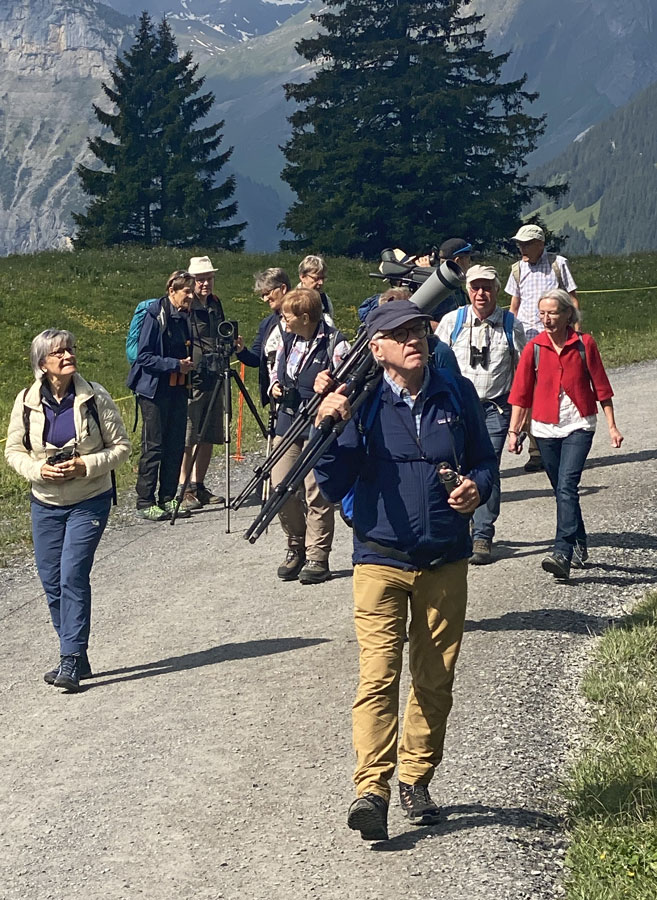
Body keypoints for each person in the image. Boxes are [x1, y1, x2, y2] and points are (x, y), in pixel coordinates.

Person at [313, 299, 495, 841]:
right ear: (377, 349)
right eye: (399, 333)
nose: (413, 338)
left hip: (445, 558)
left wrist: (477, 489)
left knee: (435, 680)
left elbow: (485, 460)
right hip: (379, 559)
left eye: (418, 329)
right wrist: (329, 429)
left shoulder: (454, 391)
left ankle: (416, 776)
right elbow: (332, 482)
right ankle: (372, 790)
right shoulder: (363, 404)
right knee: (378, 676)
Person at [5, 330, 131, 691]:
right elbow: (14, 450)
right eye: (58, 352)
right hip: (44, 502)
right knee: (51, 580)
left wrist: (85, 465)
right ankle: (75, 650)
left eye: (70, 350)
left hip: (89, 497)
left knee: (73, 574)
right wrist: (38, 470)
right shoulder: (26, 400)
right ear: (42, 363)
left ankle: (70, 660)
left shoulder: (95, 396)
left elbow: (121, 447)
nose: (67, 356)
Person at [507, 288, 623, 580]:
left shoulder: (585, 344)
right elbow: (520, 395)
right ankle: (579, 538)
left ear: (568, 313)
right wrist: (514, 431)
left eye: (553, 313)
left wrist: (612, 425)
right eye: (542, 313)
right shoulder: (533, 347)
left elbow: (602, 387)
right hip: (545, 427)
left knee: (568, 486)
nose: (547, 319)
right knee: (561, 489)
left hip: (579, 424)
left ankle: (562, 552)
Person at [436, 265, 526, 565]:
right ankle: (459, 528)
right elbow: (436, 363)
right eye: (475, 287)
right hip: (457, 408)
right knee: (455, 466)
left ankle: (483, 535)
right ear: (467, 290)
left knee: (488, 466)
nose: (481, 293)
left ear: (497, 290)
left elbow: (523, 370)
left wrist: (521, 416)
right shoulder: (453, 321)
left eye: (486, 287)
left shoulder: (511, 324)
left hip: (495, 409)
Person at [269, 288, 349, 584]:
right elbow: (276, 371)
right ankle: (296, 544)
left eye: (287, 315)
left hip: (318, 425)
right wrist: (274, 387)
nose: (283, 319)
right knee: (279, 487)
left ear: (305, 317)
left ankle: (318, 556)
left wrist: (329, 385)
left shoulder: (336, 344)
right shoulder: (286, 339)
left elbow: (349, 384)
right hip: (288, 423)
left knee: (316, 491)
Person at [504, 223, 580, 472]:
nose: (522, 248)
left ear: (540, 244)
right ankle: (537, 450)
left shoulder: (558, 264)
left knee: (556, 388)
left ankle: (559, 441)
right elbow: (514, 305)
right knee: (528, 392)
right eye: (520, 244)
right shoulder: (517, 270)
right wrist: (509, 335)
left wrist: (575, 333)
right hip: (526, 340)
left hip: (556, 339)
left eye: (527, 244)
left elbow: (572, 298)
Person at [127, 270, 195, 521]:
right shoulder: (155, 315)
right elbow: (143, 356)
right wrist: (175, 364)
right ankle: (145, 501)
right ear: (171, 291)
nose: (190, 295)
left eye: (192, 290)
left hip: (178, 387)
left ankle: (167, 498)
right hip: (154, 389)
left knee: (175, 443)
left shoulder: (184, 316)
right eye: (186, 291)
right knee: (154, 445)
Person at [178, 255, 225, 511]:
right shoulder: (185, 305)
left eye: (208, 278)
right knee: (189, 434)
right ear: (192, 280)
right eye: (200, 280)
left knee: (209, 433)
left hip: (214, 374)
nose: (205, 284)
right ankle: (183, 488)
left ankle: (199, 485)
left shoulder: (216, 304)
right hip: (192, 378)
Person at [235, 267, 290, 407]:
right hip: (275, 397)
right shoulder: (266, 324)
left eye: (267, 293)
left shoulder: (301, 319)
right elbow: (255, 359)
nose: (265, 299)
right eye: (262, 295)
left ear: (283, 288)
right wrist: (241, 350)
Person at [297, 254, 335, 321]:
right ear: (302, 277)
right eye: (316, 278)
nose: (321, 283)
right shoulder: (290, 301)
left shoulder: (325, 300)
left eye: (323, 278)